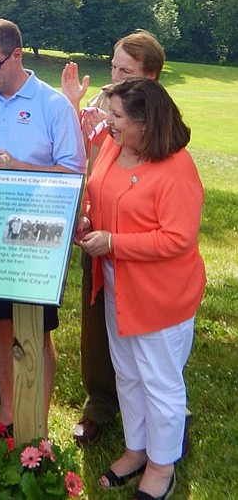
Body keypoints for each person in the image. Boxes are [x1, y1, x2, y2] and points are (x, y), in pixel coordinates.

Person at [75, 78, 205, 500]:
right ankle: (136, 450)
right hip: (118, 286)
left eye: (116, 117)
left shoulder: (176, 167)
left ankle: (161, 466)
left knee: (160, 381)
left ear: (146, 124)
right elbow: (102, 196)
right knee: (127, 374)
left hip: (160, 297)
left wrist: (113, 243)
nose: (107, 123)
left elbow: (177, 239)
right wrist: (91, 222)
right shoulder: (114, 147)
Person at [0, 19, 85, 435]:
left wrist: (19, 168)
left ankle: (37, 424)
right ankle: (10, 414)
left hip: (36, 231)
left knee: (34, 327)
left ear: (16, 56)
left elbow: (73, 175)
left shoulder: (53, 106)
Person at [61, 30, 166, 445]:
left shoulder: (161, 127)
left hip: (140, 252)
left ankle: (164, 418)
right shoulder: (107, 106)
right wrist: (87, 215)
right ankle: (102, 405)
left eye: (126, 70)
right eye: (113, 66)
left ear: (151, 77)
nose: (114, 77)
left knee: (150, 342)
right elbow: (93, 166)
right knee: (98, 328)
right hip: (99, 240)